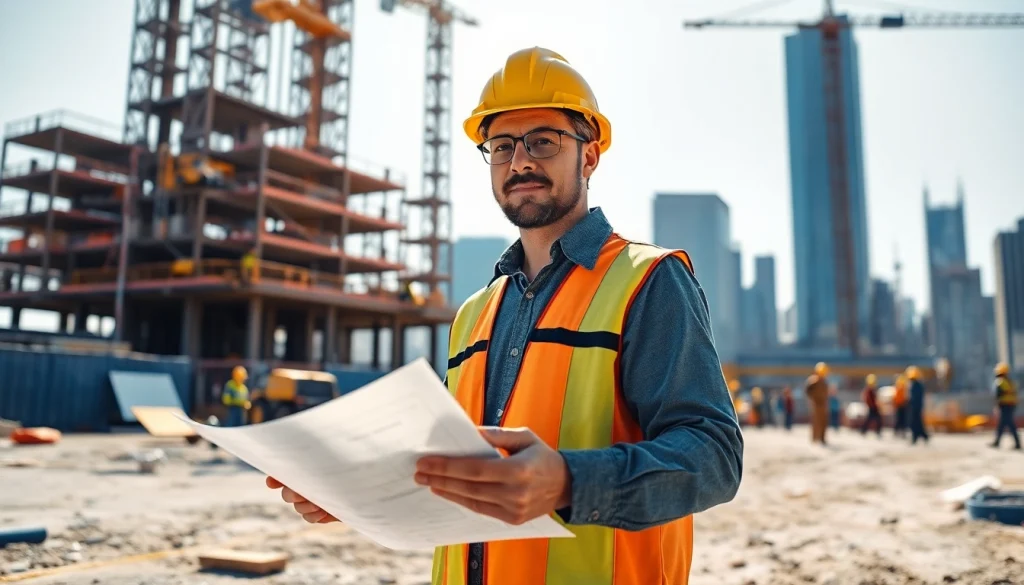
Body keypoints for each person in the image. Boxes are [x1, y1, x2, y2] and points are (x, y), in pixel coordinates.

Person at [266, 47, 744, 585]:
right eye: (501, 147)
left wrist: (569, 482)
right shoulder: (473, 314)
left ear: (589, 156)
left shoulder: (648, 281)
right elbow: (448, 465)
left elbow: (715, 456)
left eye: (543, 141)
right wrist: (355, 490)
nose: (519, 163)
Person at [990, 362, 1021, 450]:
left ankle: (1017, 443)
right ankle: (997, 441)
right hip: (1012, 405)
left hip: (1004, 405)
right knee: (1003, 424)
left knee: (1009, 423)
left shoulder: (999, 382)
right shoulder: (1011, 382)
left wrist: (996, 406)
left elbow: (997, 396)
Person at [806, 362, 830, 445]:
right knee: (816, 421)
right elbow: (808, 391)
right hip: (816, 404)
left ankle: (822, 438)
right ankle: (815, 438)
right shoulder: (813, 381)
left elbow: (826, 393)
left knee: (824, 421)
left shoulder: (824, 382)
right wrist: (812, 399)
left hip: (823, 404)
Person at [906, 366, 929, 445]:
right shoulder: (917, 385)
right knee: (917, 423)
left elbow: (914, 398)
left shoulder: (916, 386)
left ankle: (916, 437)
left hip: (915, 407)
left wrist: (910, 403)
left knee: (914, 423)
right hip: (916, 407)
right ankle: (922, 436)